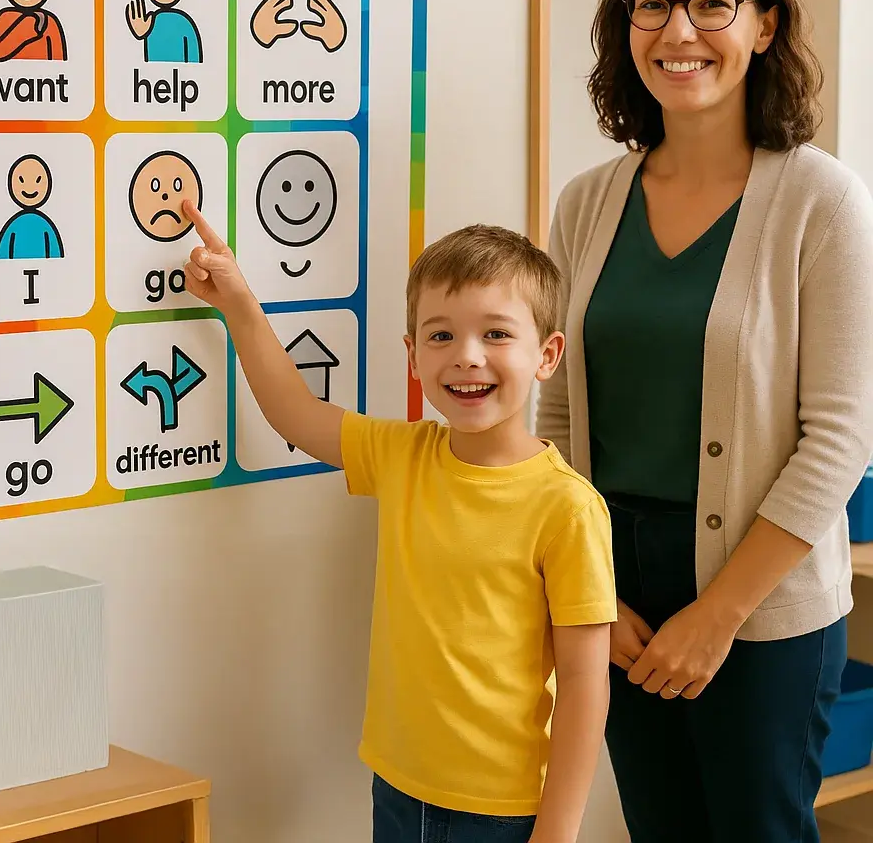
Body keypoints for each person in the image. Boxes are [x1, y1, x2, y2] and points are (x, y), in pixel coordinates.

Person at [536, 0, 873, 843]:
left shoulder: (823, 201)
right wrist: (593, 588)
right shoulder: (587, 203)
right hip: (618, 582)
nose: (679, 31)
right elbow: (559, 413)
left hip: (760, 594)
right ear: (626, 25)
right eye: (653, 4)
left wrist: (717, 615)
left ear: (764, 25)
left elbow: (840, 436)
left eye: (712, 4)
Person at [181, 202, 617, 843]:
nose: (467, 357)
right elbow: (296, 414)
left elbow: (585, 684)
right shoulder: (402, 456)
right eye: (441, 336)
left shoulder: (567, 507)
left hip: (499, 812)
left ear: (547, 355)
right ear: (413, 356)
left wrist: (557, 831)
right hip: (396, 785)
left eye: (496, 334)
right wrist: (240, 304)